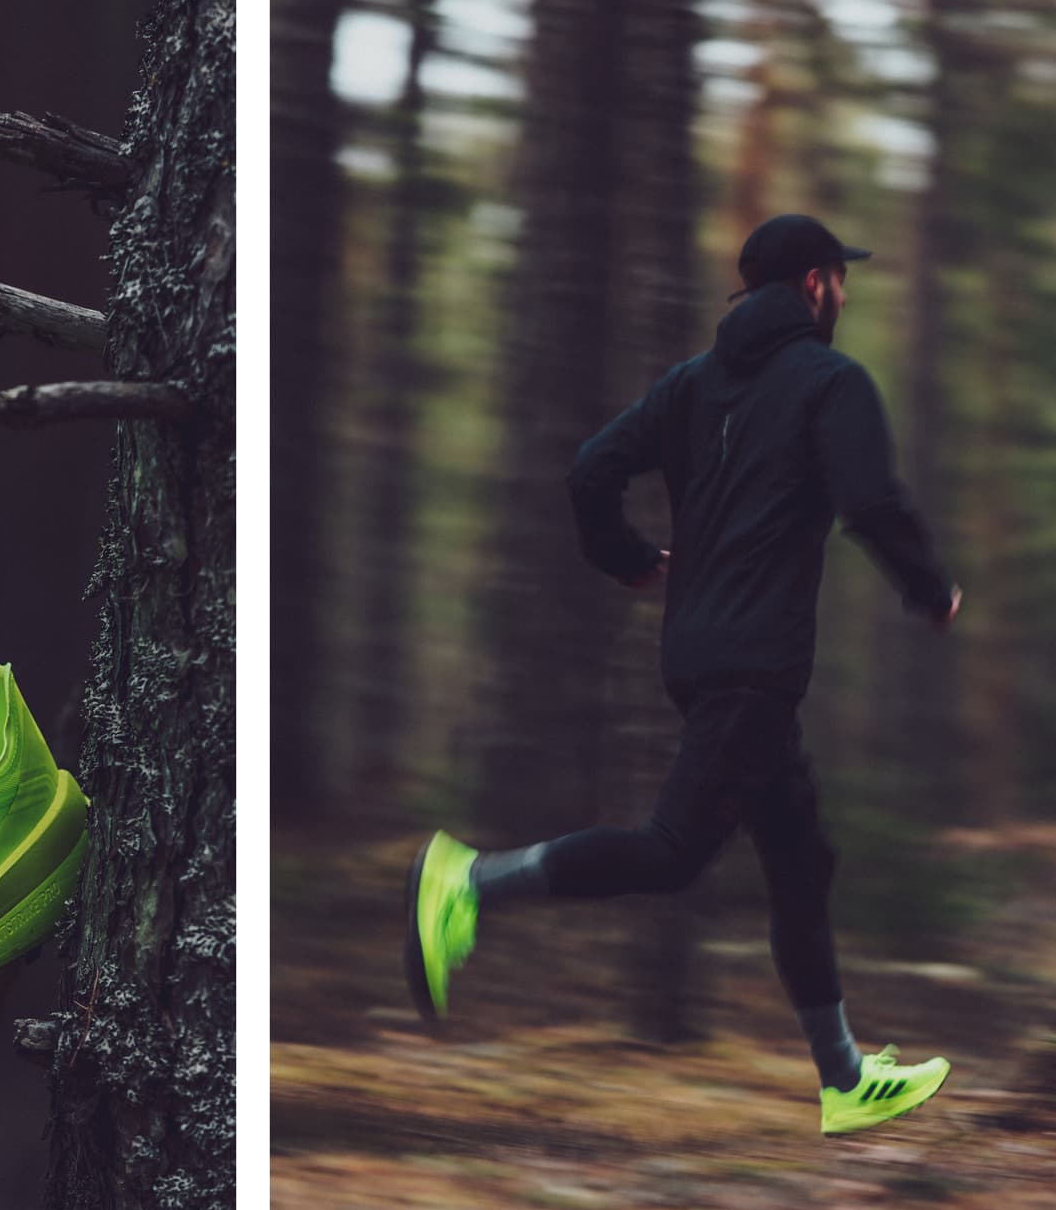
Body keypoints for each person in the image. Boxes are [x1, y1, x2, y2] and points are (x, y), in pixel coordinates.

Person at [403, 213, 963, 1138]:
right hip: (752, 667)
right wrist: (932, 591)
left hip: (704, 657)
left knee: (799, 858)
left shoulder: (691, 386)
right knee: (670, 851)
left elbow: (592, 472)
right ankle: (464, 884)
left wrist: (625, 561)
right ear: (817, 286)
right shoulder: (832, 382)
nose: (844, 296)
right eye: (841, 281)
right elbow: (870, 502)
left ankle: (844, 1080)